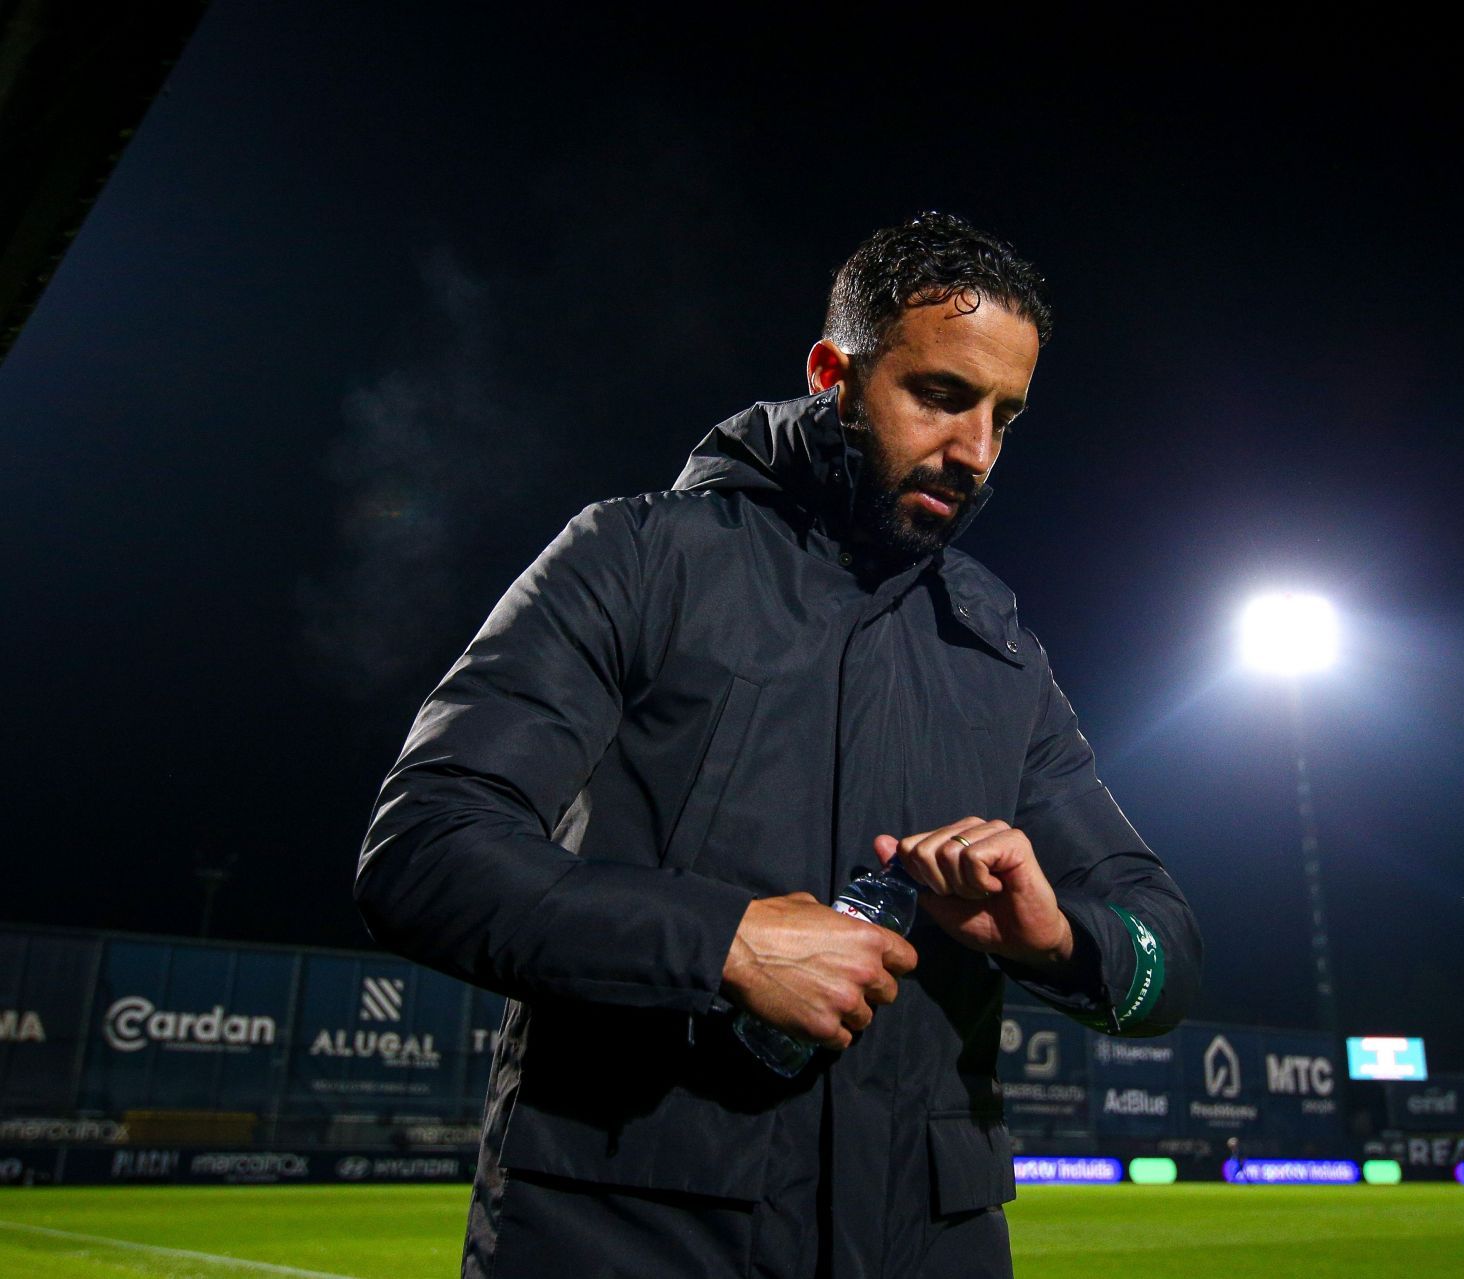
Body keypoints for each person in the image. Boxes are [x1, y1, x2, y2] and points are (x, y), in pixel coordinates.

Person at [354, 212, 1202, 1279]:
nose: (976, 451)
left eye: (1005, 415)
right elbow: (424, 852)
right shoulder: (635, 557)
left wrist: (1057, 939)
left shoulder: (1000, 650)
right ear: (832, 373)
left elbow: (1164, 953)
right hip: (630, 1239)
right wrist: (724, 941)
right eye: (940, 396)